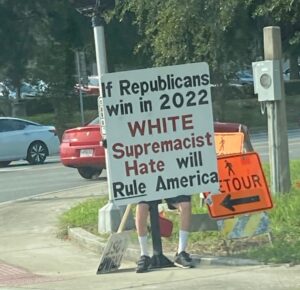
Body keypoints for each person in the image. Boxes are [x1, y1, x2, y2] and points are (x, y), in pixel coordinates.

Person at [135, 195, 193, 273]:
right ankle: (144, 255)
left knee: (185, 204)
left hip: (169, 184)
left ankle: (181, 252)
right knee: (141, 207)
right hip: (149, 185)